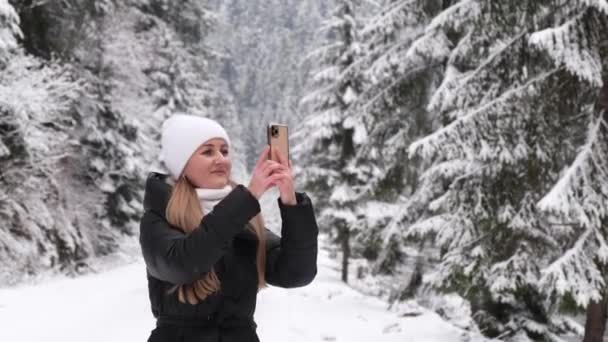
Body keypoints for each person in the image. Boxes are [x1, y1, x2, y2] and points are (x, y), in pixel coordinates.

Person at [139, 113, 319, 342]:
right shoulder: (159, 215)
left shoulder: (242, 217)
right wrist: (248, 197)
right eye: (208, 151)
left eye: (224, 151)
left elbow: (296, 273)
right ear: (181, 163)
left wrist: (290, 201)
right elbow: (182, 265)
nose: (220, 159)